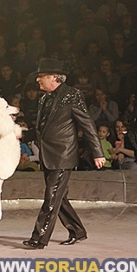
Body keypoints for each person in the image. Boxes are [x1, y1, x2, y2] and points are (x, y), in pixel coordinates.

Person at [23, 58, 105, 249]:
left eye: (41, 76)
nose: (38, 80)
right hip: (48, 154)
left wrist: (98, 152)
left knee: (51, 197)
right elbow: (42, 127)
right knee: (59, 198)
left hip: (63, 155)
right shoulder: (44, 98)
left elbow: (87, 124)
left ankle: (39, 238)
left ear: (53, 77)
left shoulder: (72, 95)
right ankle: (77, 230)